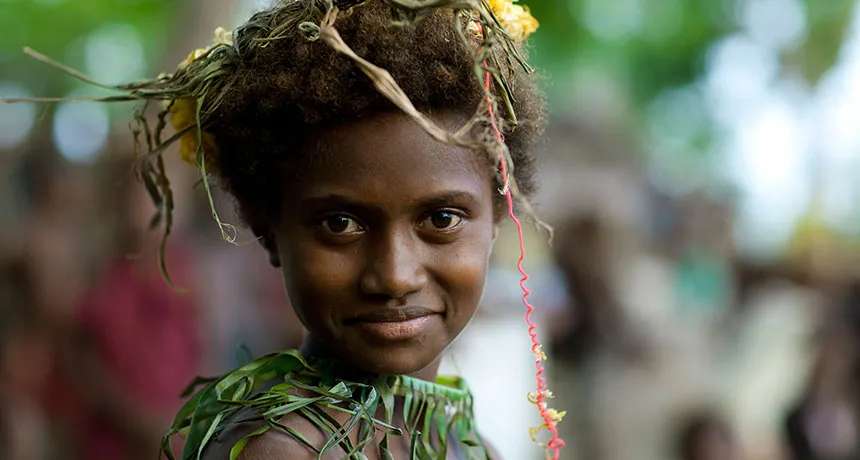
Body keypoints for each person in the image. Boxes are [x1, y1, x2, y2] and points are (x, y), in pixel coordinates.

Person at [9, 0, 562, 458]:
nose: (394, 275)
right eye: (340, 224)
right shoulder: (285, 452)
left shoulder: (466, 443)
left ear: (497, 218)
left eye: (441, 219)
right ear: (267, 227)